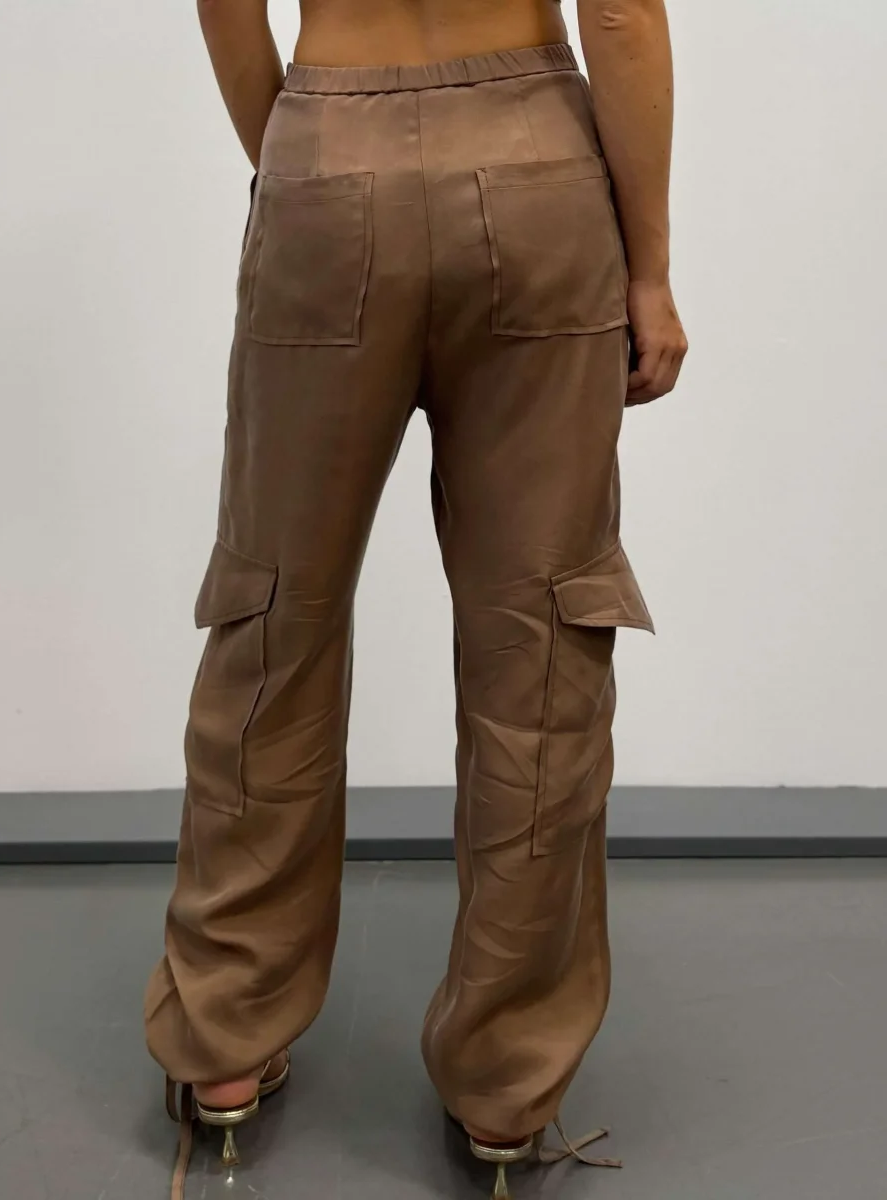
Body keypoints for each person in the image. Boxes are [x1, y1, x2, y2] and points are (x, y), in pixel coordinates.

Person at [145, 0, 687, 1196]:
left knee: (272, 612)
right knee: (542, 631)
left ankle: (226, 1037)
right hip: (539, 172)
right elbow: (619, 12)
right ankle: (506, 1081)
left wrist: (307, 161)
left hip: (328, 154)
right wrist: (649, 269)